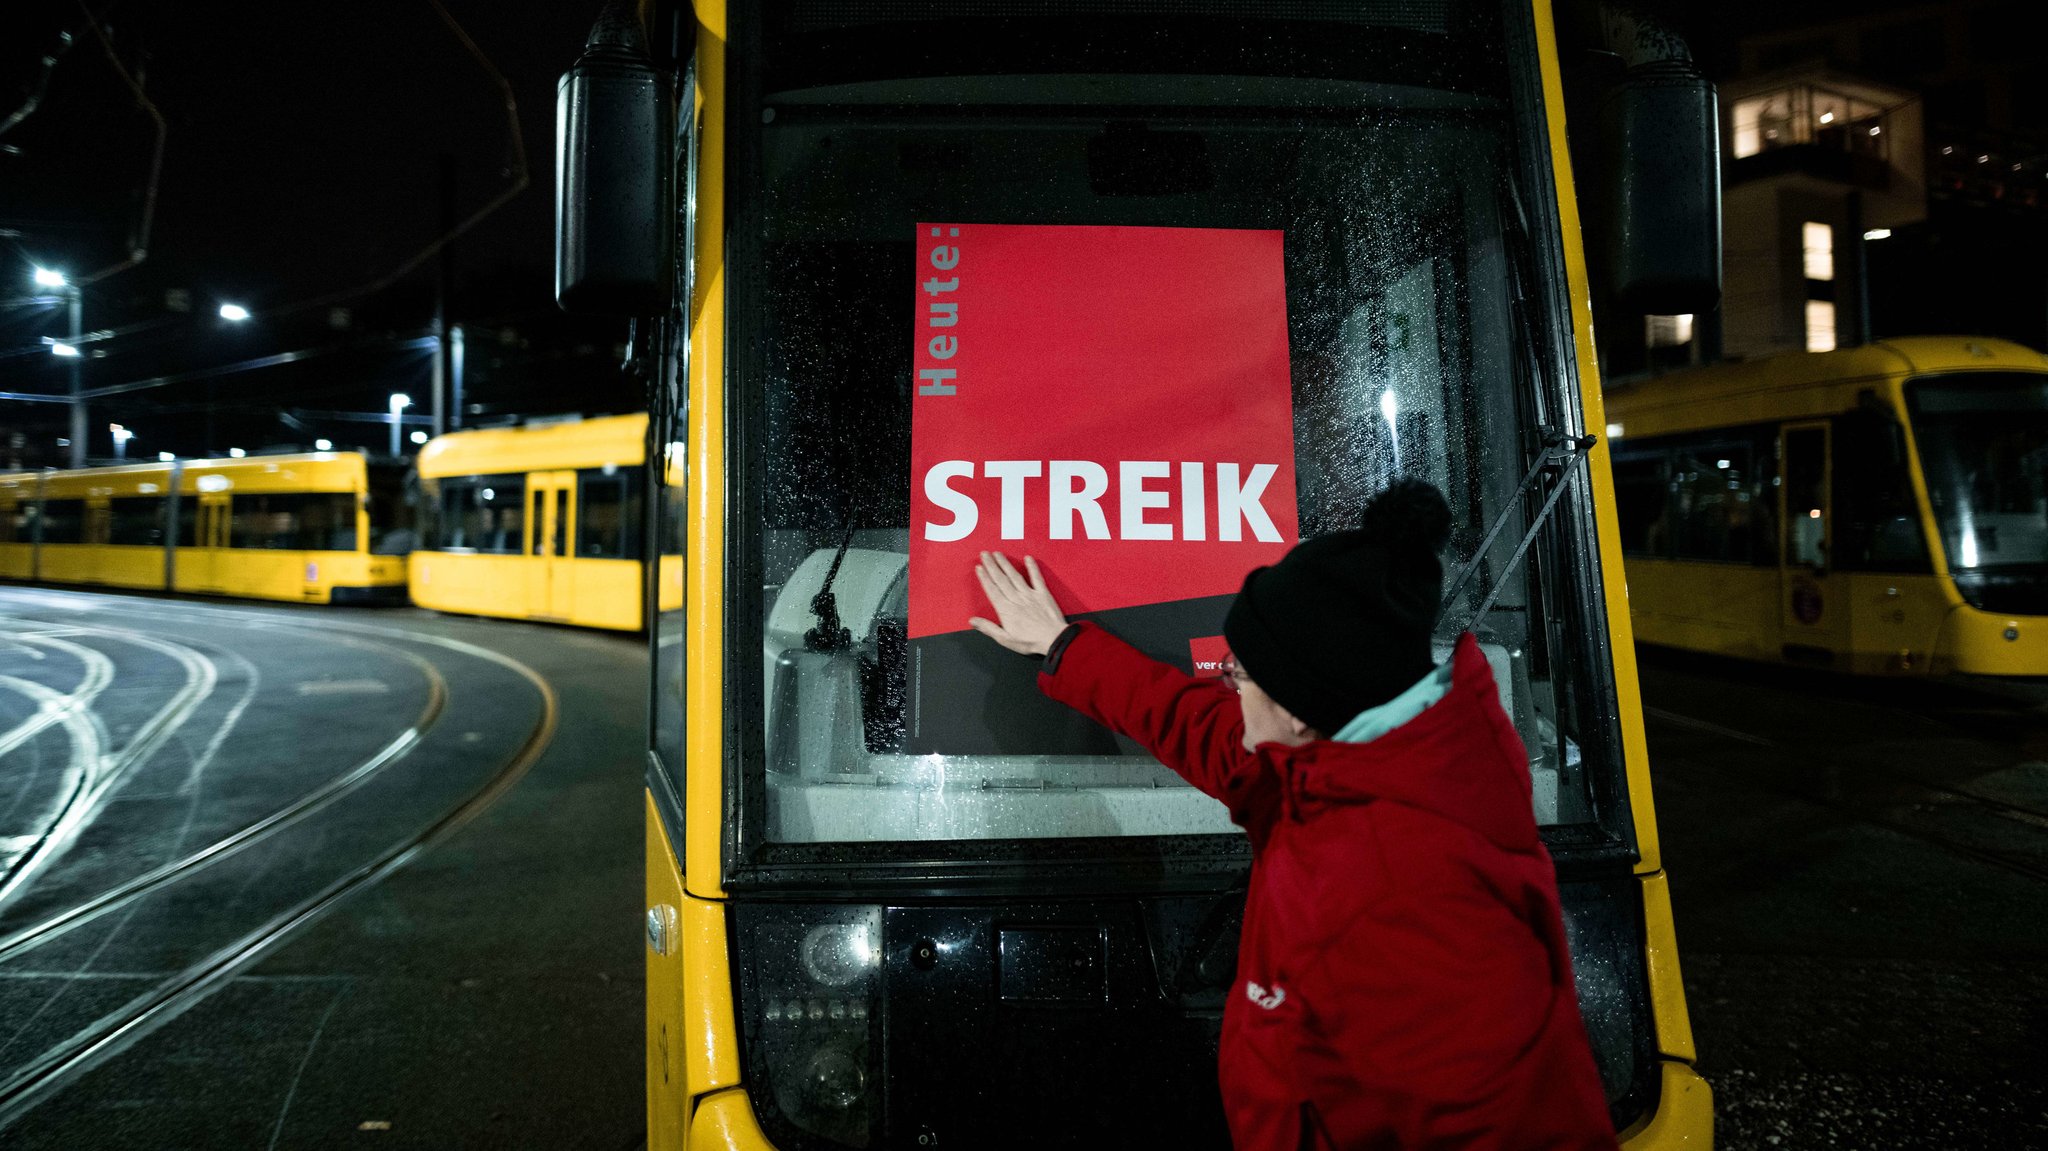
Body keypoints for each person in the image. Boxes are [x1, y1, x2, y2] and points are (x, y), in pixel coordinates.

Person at [968, 478, 1618, 1151]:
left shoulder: (1412, 896)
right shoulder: (1348, 762)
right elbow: (1204, 727)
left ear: (1303, 707)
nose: (1227, 689)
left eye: (1241, 675)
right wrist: (1064, 646)